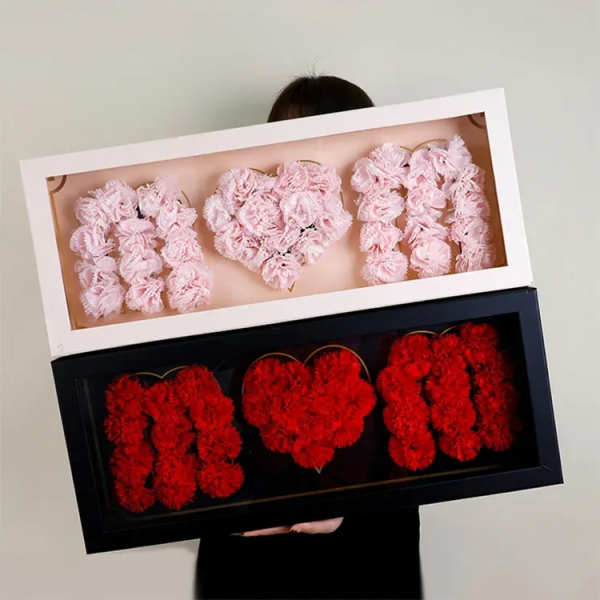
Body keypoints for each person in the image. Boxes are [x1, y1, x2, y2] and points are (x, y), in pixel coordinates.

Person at [195, 75, 422, 600]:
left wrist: (349, 505)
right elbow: (211, 388)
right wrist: (245, 507)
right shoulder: (222, 244)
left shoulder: (396, 246)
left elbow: (410, 397)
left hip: (370, 533)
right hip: (250, 528)